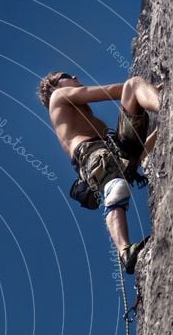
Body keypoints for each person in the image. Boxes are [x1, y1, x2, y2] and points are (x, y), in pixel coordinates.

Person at [38, 72, 162, 273]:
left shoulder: (88, 120)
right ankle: (125, 251)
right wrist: (153, 88)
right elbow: (112, 91)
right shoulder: (58, 96)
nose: (75, 75)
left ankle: (164, 106)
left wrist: (162, 129)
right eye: (66, 75)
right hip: (92, 156)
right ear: (55, 85)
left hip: (113, 152)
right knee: (115, 190)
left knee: (134, 85)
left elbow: (136, 157)